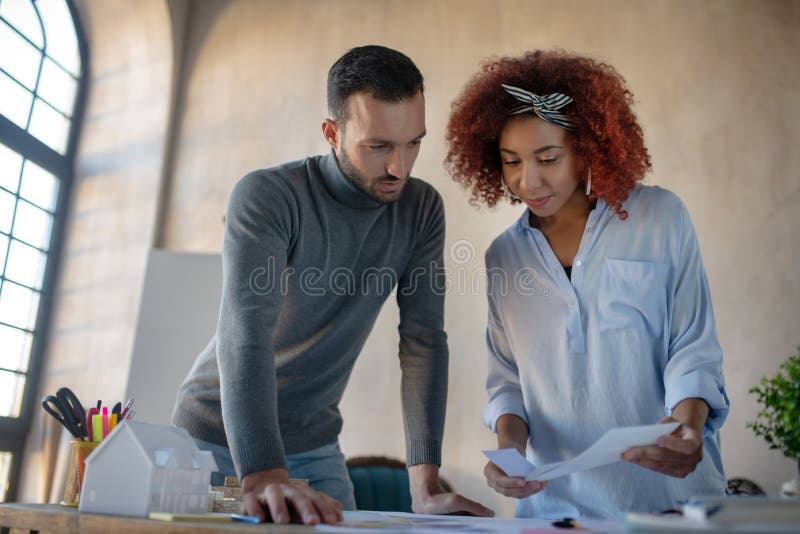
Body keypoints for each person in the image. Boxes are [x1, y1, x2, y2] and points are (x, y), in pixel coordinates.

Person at [172, 45, 493, 524]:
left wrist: (424, 486)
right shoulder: (268, 196)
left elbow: (424, 341)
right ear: (331, 133)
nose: (399, 168)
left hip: (315, 442)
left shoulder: (421, 209)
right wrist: (262, 476)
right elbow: (246, 334)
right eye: (379, 146)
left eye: (413, 143)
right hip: (218, 439)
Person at [445, 50, 729, 519]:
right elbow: (508, 380)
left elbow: (692, 347)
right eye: (511, 161)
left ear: (588, 150)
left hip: (672, 506)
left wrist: (688, 431)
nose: (527, 180)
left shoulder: (660, 219)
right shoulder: (504, 257)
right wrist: (509, 454)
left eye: (548, 158)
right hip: (556, 511)